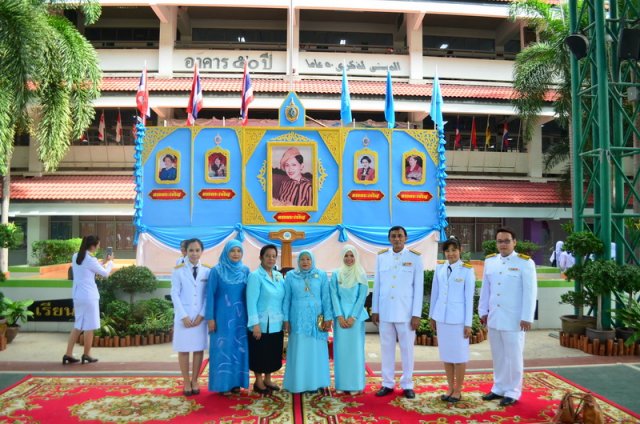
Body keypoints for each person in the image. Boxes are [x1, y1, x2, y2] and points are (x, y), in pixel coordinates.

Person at [478, 227, 537, 407]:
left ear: (514, 242)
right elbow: (485, 289)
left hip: (514, 319)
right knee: (498, 355)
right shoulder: (490, 262)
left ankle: (513, 391)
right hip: (495, 317)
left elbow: (530, 291)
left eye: (506, 241)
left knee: (513, 356)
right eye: (500, 241)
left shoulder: (525, 263)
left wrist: (527, 316)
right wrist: (483, 311)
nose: (503, 244)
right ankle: (499, 387)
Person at [371, 226, 424, 399]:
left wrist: (416, 314)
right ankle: (387, 383)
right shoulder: (382, 257)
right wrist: (375, 309)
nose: (397, 239)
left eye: (400, 236)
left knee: (407, 349)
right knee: (386, 349)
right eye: (393, 236)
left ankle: (407, 383)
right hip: (385, 311)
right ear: (389, 238)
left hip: (406, 313)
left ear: (406, 238)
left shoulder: (414, 257)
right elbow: (377, 285)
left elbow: (419, 288)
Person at [429, 237, 476, 403]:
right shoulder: (440, 269)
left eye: (454, 250)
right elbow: (435, 294)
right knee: (447, 356)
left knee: (459, 357)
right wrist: (431, 316)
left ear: (460, 251)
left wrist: (468, 324)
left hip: (458, 320)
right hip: (442, 318)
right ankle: (450, 387)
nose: (451, 254)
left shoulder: (467, 270)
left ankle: (458, 389)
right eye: (447, 250)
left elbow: (469, 299)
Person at [283, 250, 333, 393]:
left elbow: (326, 297)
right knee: (300, 350)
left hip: (317, 319)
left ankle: (316, 383)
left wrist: (328, 317)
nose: (305, 262)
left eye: (308, 259)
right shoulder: (291, 276)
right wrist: (286, 319)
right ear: (298, 261)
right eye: (302, 259)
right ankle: (298, 383)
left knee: (315, 350)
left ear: (313, 260)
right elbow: (287, 299)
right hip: (297, 319)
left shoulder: (321, 275)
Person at [205, 240, 250, 394]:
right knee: (223, 348)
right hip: (221, 317)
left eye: (239, 251)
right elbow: (209, 295)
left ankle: (236, 383)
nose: (236, 254)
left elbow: (249, 295)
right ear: (226, 252)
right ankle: (222, 384)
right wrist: (210, 318)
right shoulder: (216, 271)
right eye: (233, 251)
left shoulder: (245, 270)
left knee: (239, 348)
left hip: (241, 317)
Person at [63, 235, 114, 365]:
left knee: (78, 325)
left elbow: (89, 267)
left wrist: (103, 262)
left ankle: (68, 353)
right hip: (89, 296)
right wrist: (111, 262)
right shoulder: (90, 259)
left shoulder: (76, 256)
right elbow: (105, 274)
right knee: (89, 326)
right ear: (93, 245)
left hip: (78, 295)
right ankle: (87, 354)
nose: (98, 246)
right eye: (98, 244)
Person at [171, 238, 210, 396]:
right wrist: (183, 315)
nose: (194, 253)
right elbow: (174, 294)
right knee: (184, 350)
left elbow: (208, 295)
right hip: (184, 318)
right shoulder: (178, 270)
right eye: (191, 250)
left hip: (200, 318)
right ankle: (186, 381)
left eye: (197, 250)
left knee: (198, 349)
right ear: (185, 251)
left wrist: (202, 314)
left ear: (201, 251)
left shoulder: (207, 270)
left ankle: (195, 380)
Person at [329, 245, 369, 394]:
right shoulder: (336, 274)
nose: (349, 259)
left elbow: (361, 297)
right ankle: (341, 384)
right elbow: (333, 295)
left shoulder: (361, 273)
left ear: (356, 257)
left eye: (352, 256)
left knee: (355, 351)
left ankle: (355, 385)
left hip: (356, 317)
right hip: (340, 318)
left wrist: (353, 317)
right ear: (342, 257)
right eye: (346, 255)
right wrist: (339, 315)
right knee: (341, 351)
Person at [246, 244, 285, 395]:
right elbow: (251, 301)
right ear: (261, 257)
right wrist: (255, 324)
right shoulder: (255, 276)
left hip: (276, 322)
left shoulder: (278, 276)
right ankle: (258, 381)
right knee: (259, 353)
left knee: (272, 353)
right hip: (261, 323)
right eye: (267, 255)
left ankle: (268, 379)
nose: (271, 258)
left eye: (274, 256)